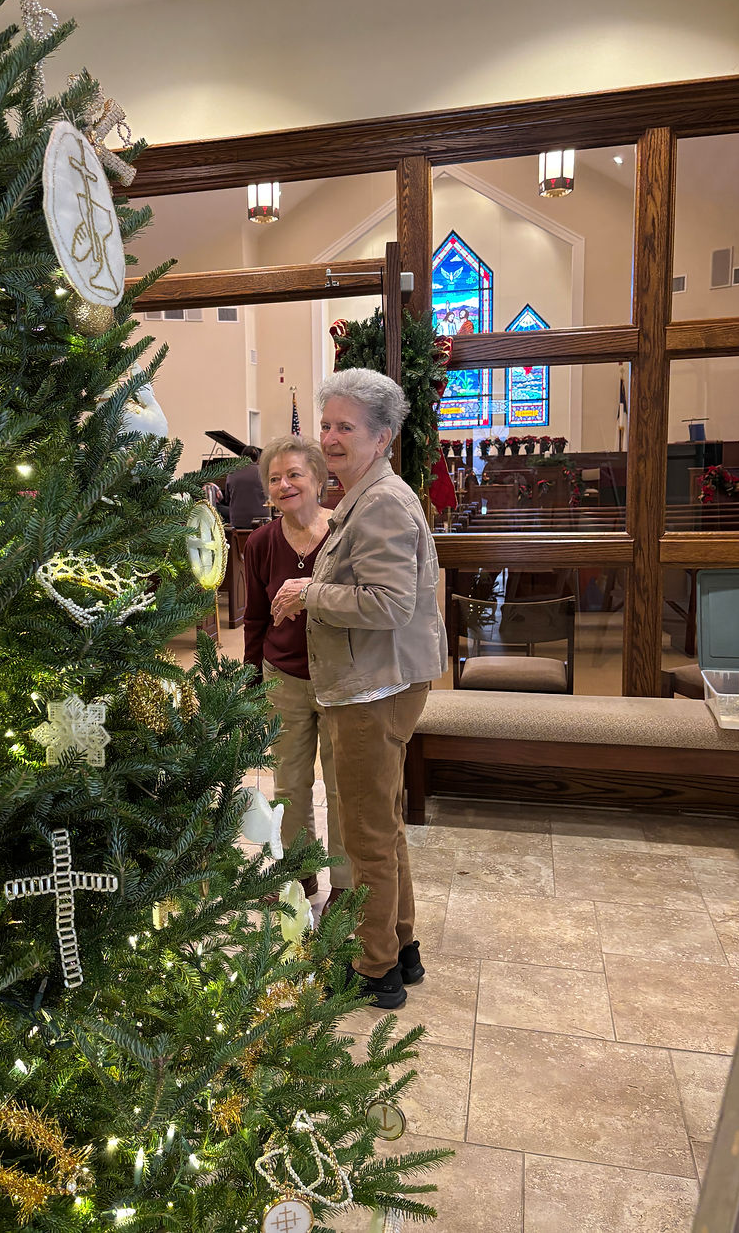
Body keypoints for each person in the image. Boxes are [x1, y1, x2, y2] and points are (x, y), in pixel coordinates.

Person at [271, 370, 447, 1009]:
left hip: (375, 687)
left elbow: (392, 603)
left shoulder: (381, 504)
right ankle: (399, 944)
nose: (330, 438)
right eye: (326, 425)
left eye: (346, 427)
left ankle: (371, 969)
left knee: (367, 830)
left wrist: (309, 592)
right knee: (384, 822)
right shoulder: (363, 496)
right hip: (373, 681)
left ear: (383, 437)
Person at [243, 434, 350, 905]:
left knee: (344, 786)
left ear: (319, 480)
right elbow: (255, 617)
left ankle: (346, 889)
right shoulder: (262, 542)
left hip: (340, 678)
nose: (284, 484)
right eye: (274, 478)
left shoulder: (344, 535)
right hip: (282, 677)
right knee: (289, 784)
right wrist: (250, 676)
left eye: (294, 474)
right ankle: (299, 876)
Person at [223, 445, 269, 528]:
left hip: (237, 522)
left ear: (241, 458)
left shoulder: (231, 472)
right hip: (261, 521)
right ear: (258, 459)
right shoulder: (263, 471)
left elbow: (227, 499)